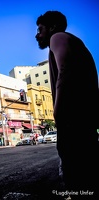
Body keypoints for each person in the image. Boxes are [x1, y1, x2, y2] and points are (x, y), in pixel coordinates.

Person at [36, 11, 99, 197]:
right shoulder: (73, 42)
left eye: (40, 29)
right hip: (83, 122)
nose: (37, 34)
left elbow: (65, 68)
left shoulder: (58, 37)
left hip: (74, 122)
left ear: (52, 27)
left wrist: (57, 110)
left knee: (77, 178)